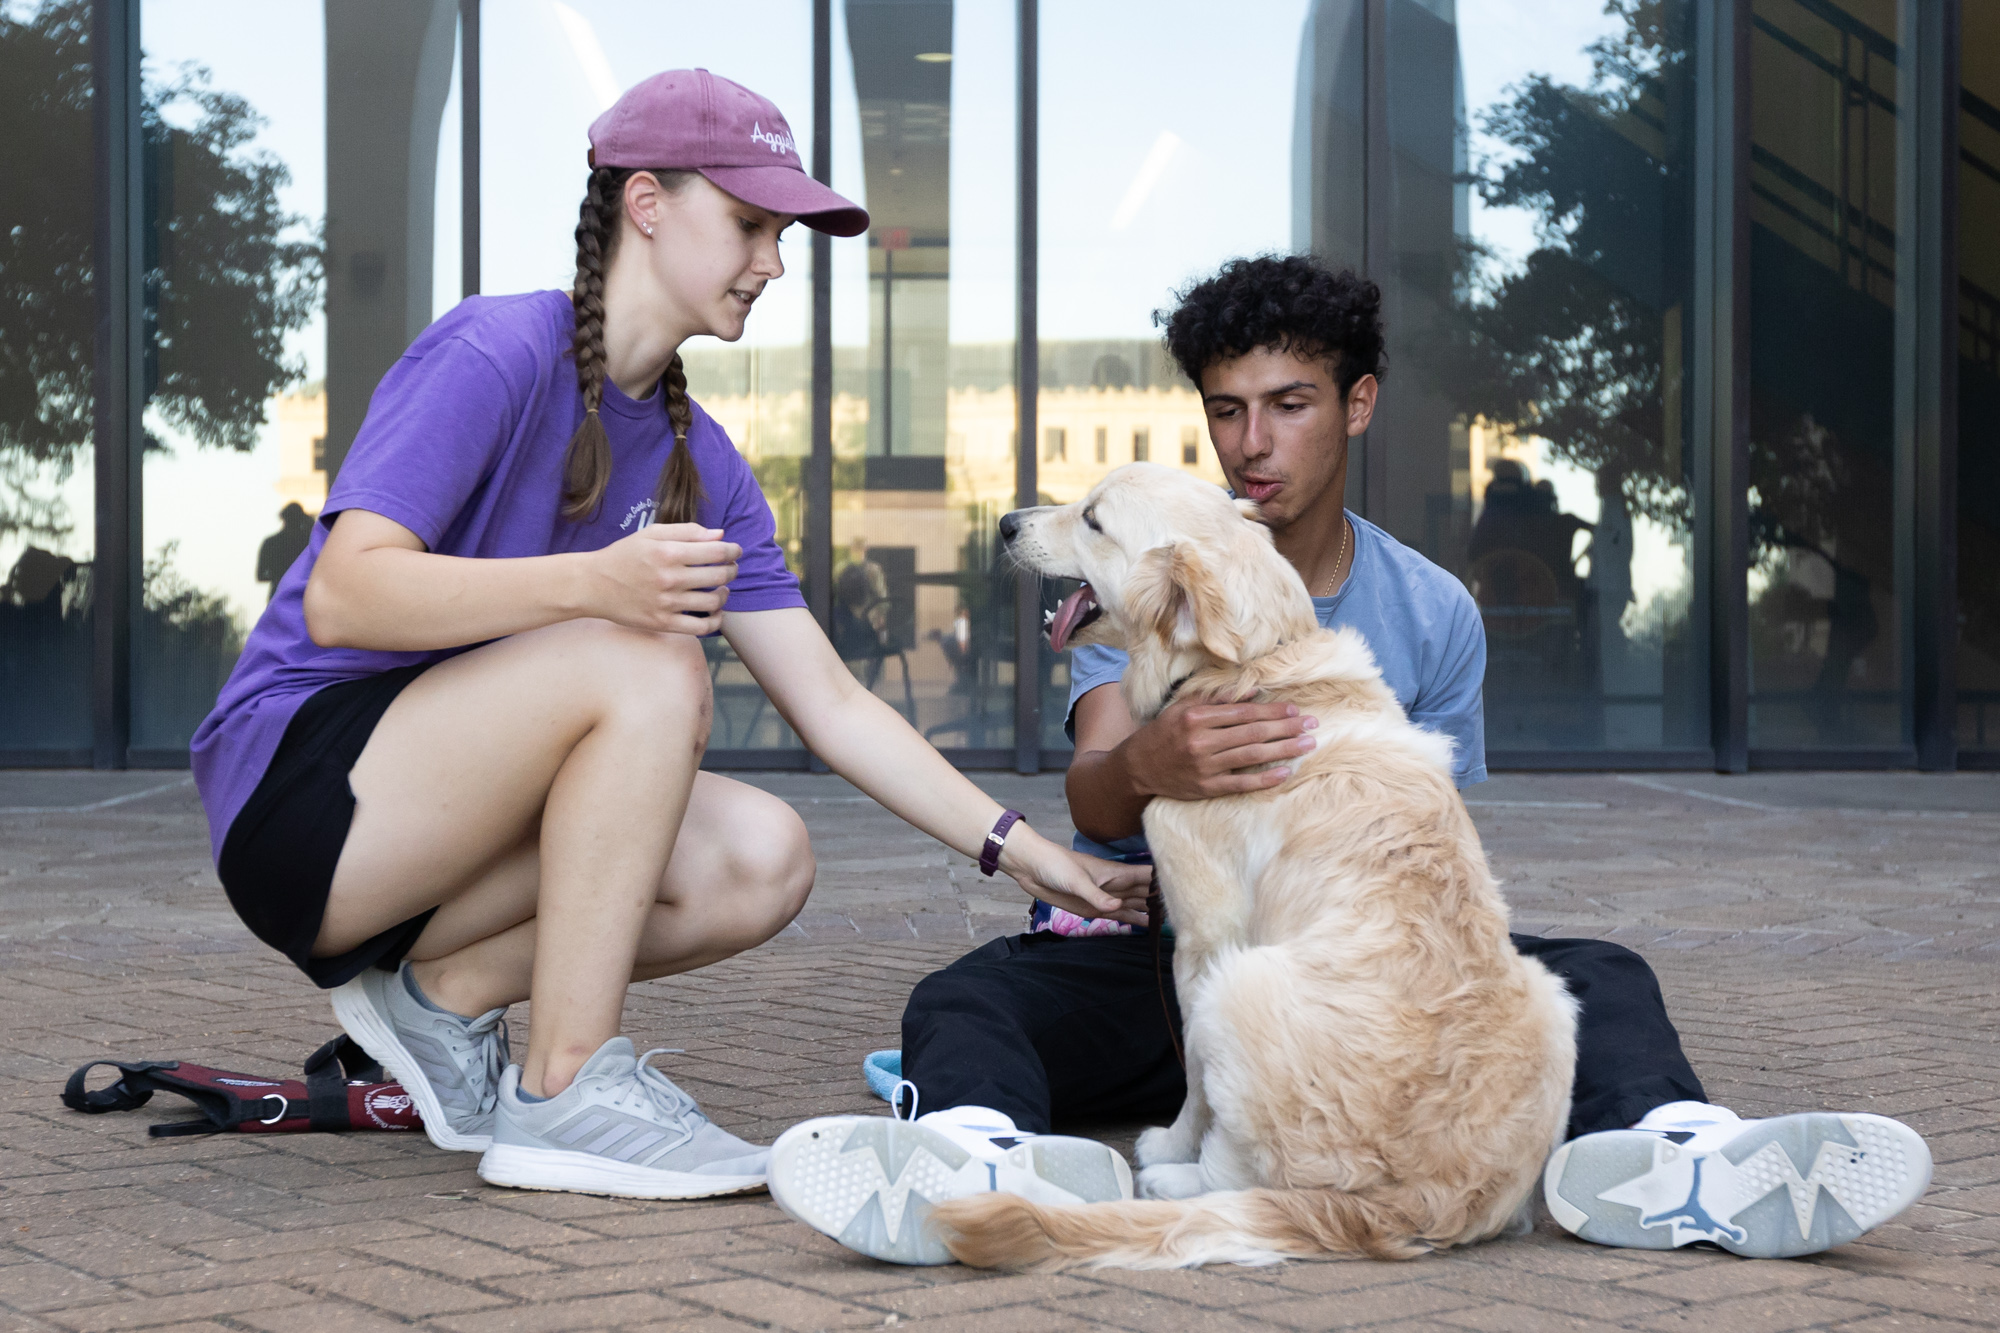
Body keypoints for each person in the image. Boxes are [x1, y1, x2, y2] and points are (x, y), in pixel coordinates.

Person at [769, 255, 1932, 1262]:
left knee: (1599, 972)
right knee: (966, 996)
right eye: (1225, 411)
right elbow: (1091, 790)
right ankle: (977, 1158)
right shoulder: (1147, 579)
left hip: (1339, 972)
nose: (1250, 443)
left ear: (1357, 403)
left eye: (1286, 404)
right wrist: (1155, 759)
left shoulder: (1428, 607)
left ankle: (1684, 1158)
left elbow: (1428, 850)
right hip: (1152, 951)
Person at [189, 69, 1148, 1204]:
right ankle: (565, 1092)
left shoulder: (708, 463)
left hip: (441, 842)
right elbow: (347, 596)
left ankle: (438, 1000)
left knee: (763, 857)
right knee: (647, 654)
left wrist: (1034, 855)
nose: (773, 262)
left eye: (781, 235)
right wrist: (595, 583)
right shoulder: (497, 349)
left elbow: (834, 706)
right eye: (749, 224)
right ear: (645, 203)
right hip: (303, 806)